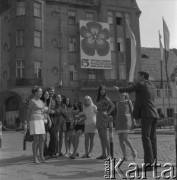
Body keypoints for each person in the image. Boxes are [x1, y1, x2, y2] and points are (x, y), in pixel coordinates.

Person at [114, 71, 159, 169]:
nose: (137, 77)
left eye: (138, 75)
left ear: (143, 76)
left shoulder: (141, 84)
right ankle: (154, 163)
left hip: (146, 114)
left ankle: (149, 165)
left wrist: (119, 89)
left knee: (146, 138)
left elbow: (131, 89)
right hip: (154, 114)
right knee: (153, 139)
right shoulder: (152, 86)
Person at [115, 92, 137, 161]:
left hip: (126, 121)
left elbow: (132, 111)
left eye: (123, 94)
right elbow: (118, 112)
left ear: (125, 95)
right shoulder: (117, 102)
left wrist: (134, 121)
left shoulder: (129, 102)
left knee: (125, 137)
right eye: (120, 94)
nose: (121, 95)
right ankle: (125, 156)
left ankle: (133, 150)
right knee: (120, 139)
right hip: (119, 121)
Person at [27, 86, 46, 163]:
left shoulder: (41, 102)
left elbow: (43, 111)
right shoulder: (32, 101)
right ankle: (35, 157)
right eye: (39, 91)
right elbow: (29, 112)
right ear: (35, 92)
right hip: (34, 120)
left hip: (41, 120)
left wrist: (45, 118)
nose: (41, 93)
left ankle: (41, 156)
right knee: (36, 139)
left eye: (41, 92)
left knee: (43, 138)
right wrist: (27, 123)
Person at [96, 85, 115, 159]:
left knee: (104, 137)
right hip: (98, 117)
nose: (102, 91)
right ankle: (103, 153)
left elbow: (113, 106)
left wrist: (108, 113)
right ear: (99, 91)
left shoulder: (106, 98)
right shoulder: (99, 98)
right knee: (101, 137)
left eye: (104, 89)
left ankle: (109, 154)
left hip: (104, 117)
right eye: (101, 89)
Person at [40, 90, 52, 158]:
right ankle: (45, 153)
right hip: (40, 121)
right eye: (45, 94)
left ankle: (44, 153)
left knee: (45, 138)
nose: (47, 95)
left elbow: (48, 113)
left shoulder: (48, 102)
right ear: (43, 94)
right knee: (43, 137)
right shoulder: (40, 102)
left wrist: (49, 120)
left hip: (46, 121)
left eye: (48, 94)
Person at [47, 87, 57, 157]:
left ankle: (51, 152)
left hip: (52, 120)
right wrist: (48, 111)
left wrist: (54, 112)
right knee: (43, 138)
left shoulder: (54, 101)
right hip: (44, 119)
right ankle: (45, 153)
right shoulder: (44, 99)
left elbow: (55, 110)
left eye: (53, 91)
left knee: (54, 137)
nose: (52, 93)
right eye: (51, 91)